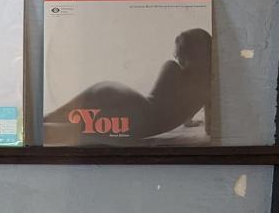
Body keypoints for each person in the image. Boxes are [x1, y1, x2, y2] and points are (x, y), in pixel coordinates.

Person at [43, 28, 212, 142]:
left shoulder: (173, 68)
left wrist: (187, 119)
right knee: (68, 127)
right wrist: (187, 119)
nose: (177, 57)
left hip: (129, 107)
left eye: (180, 53)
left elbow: (160, 103)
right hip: (133, 115)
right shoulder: (207, 86)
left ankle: (39, 123)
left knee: (61, 122)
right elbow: (178, 106)